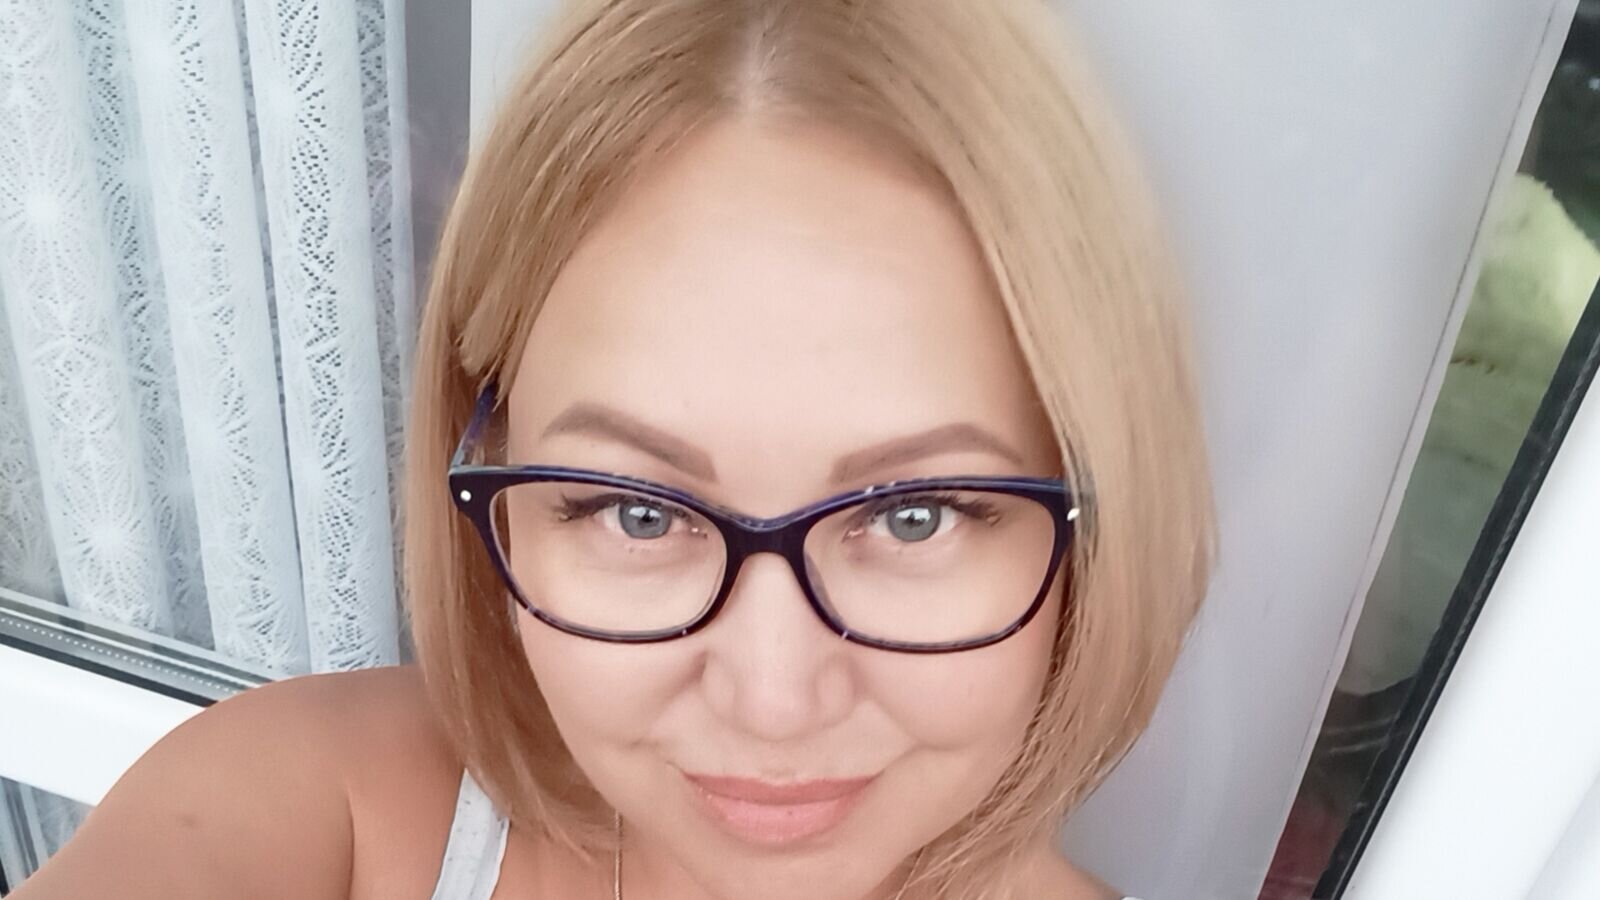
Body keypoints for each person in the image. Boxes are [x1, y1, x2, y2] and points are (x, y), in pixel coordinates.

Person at [13, 0, 1213, 897]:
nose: (771, 701)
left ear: (1097, 516)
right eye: (637, 511)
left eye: (916, 516)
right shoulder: (322, 816)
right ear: (486, 466)